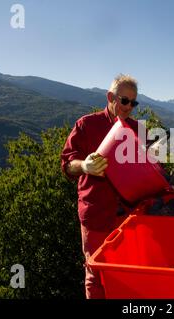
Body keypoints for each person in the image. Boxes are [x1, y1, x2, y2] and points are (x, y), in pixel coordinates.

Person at [60, 74, 140, 299]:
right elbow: (67, 164)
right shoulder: (87, 125)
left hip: (128, 217)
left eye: (133, 103)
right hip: (96, 215)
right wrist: (84, 166)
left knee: (126, 273)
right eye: (124, 101)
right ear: (110, 97)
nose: (129, 107)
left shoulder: (137, 129)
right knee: (95, 274)